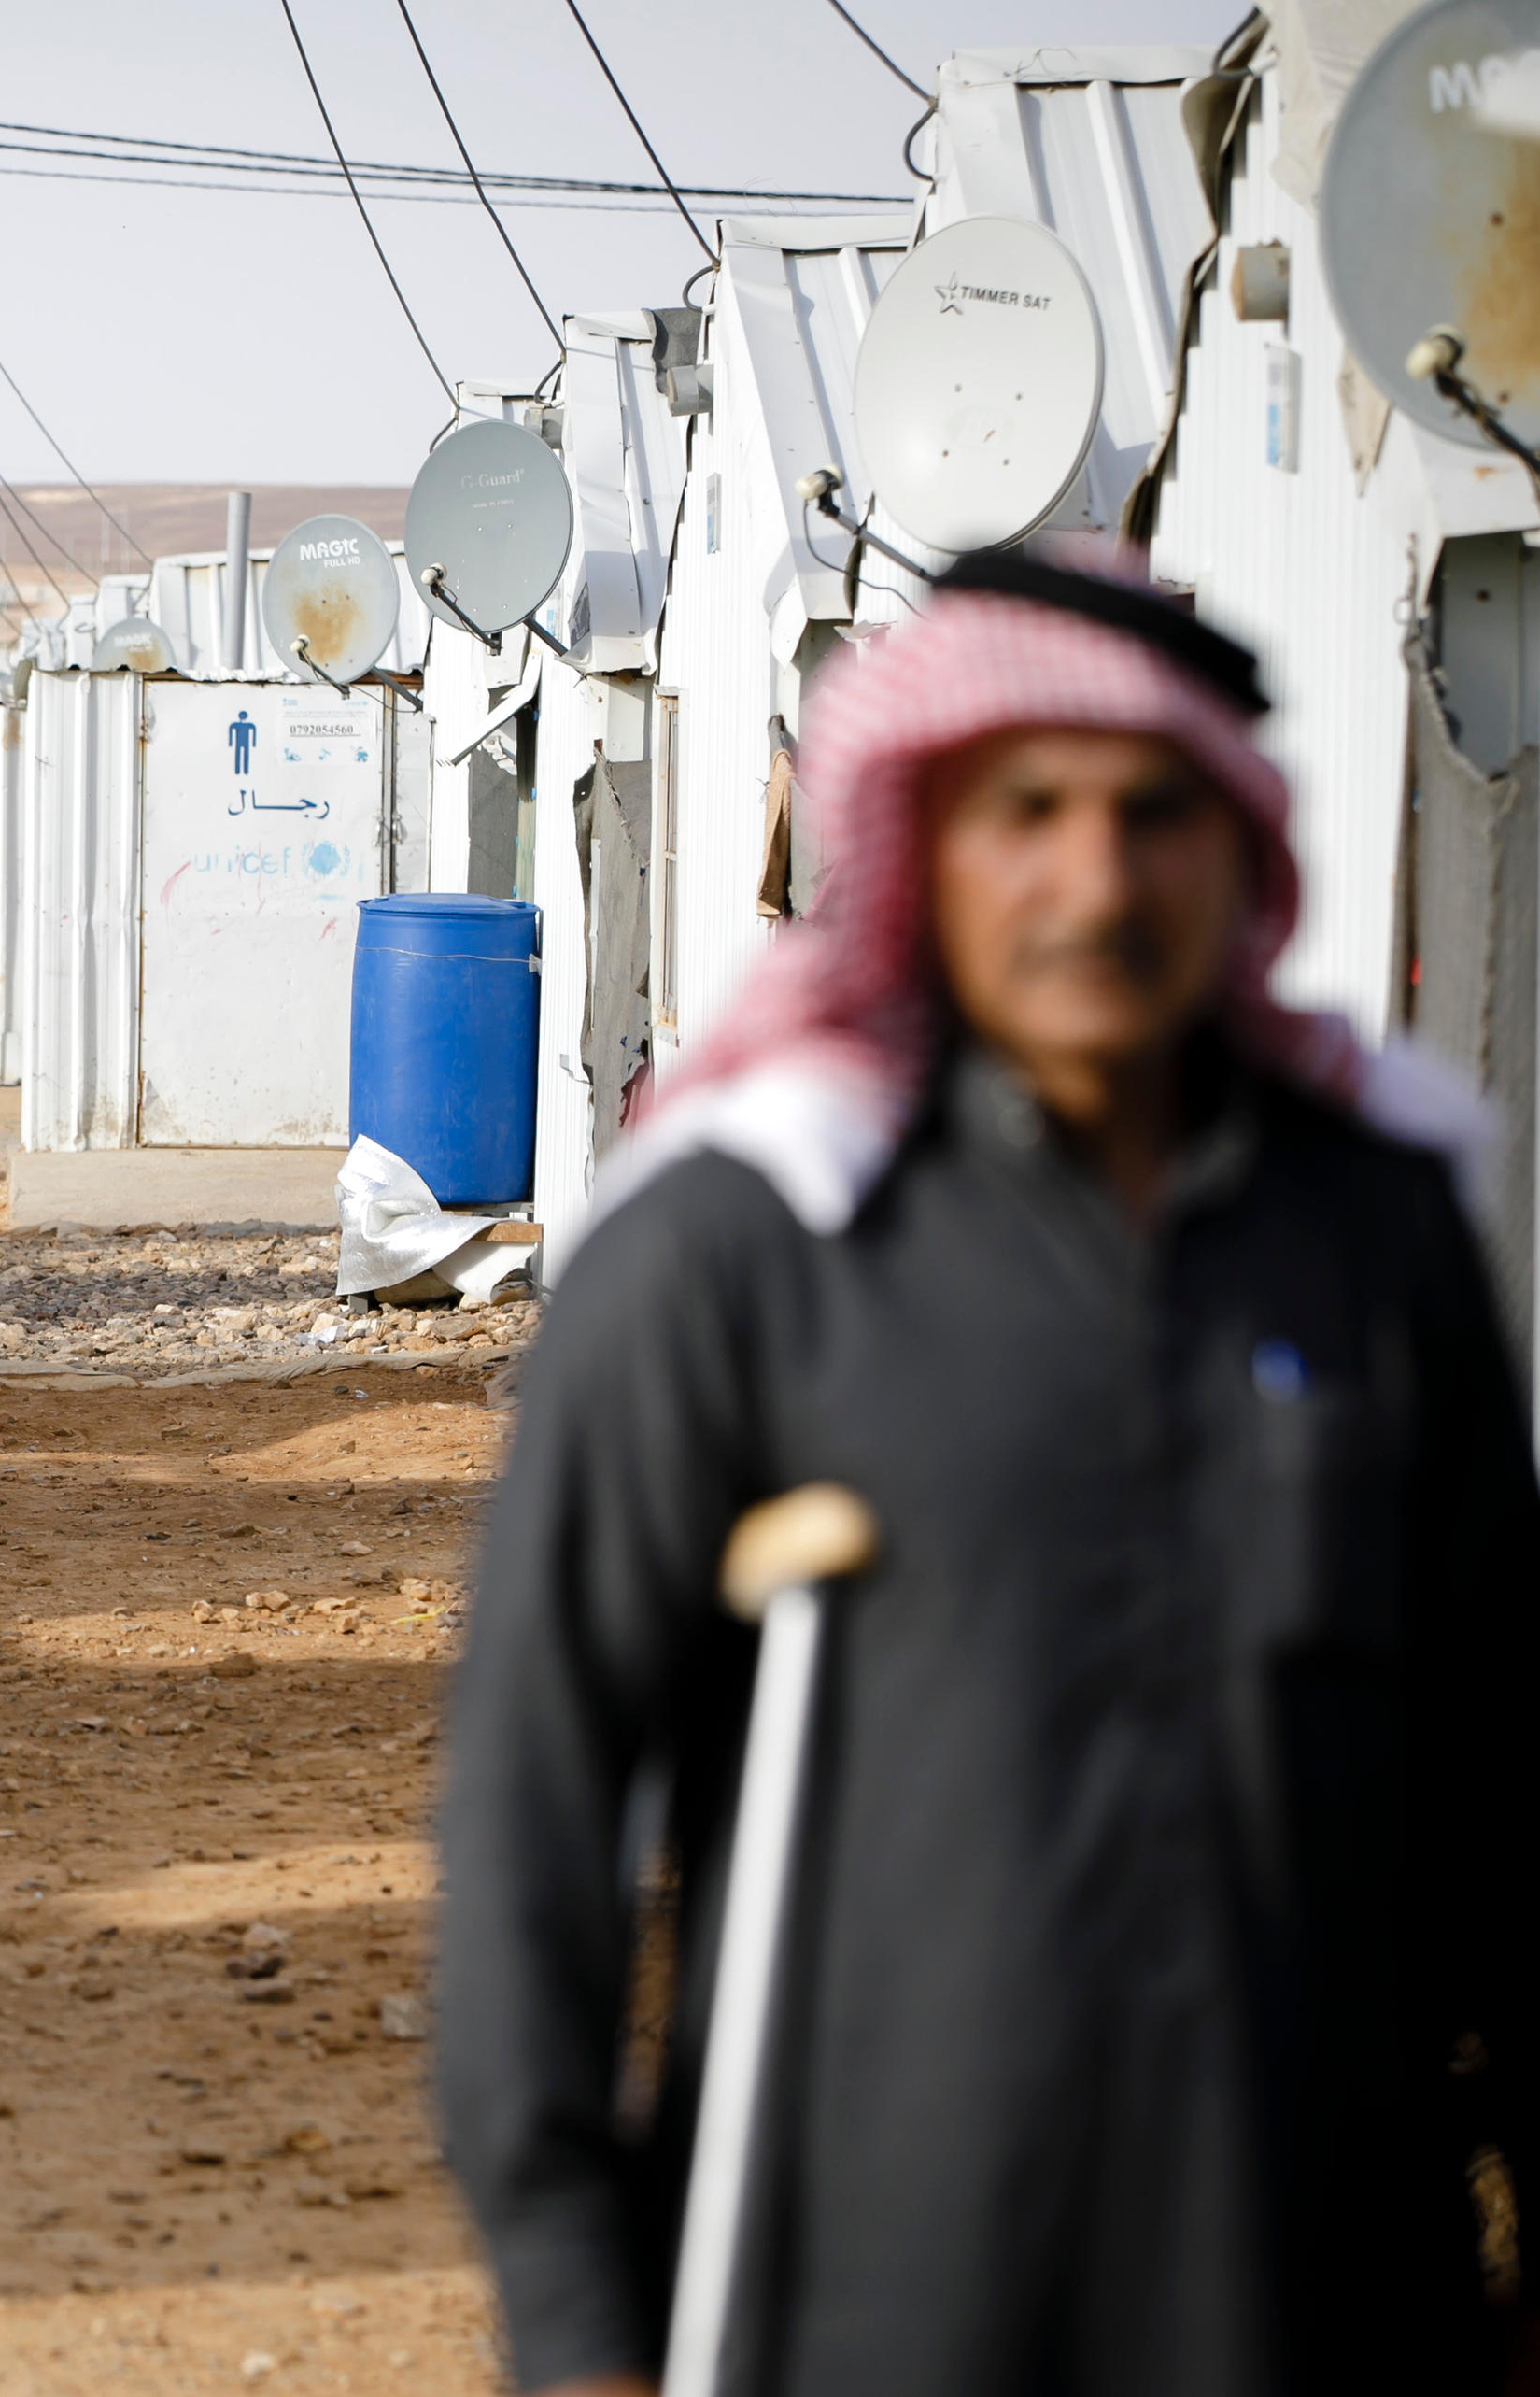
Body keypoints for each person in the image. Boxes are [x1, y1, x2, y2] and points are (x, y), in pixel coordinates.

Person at [435, 553, 1540, 2397]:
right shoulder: (740, 1241)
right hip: (856, 2291)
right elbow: (537, 1812)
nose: (1092, 882)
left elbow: (1508, 1780)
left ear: (1235, 845)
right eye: (1022, 811)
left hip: (1324, 2291)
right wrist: (570, 2326)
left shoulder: (1377, 1231)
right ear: (917, 839)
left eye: (1149, 814)